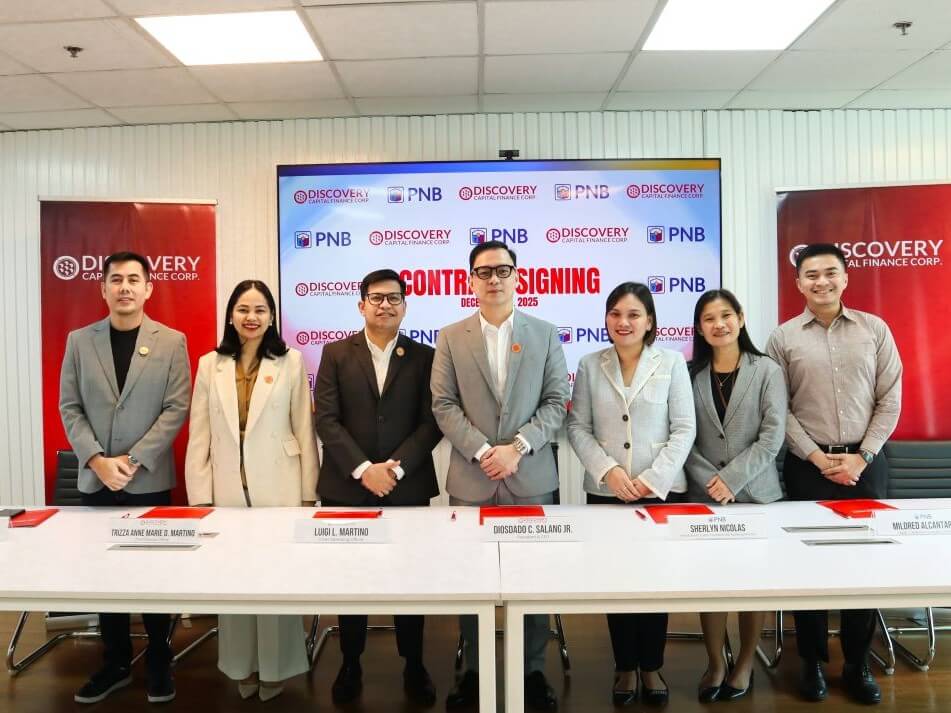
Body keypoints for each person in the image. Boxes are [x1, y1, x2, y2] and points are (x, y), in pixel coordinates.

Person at [432, 240, 569, 711]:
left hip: (529, 477)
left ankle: (532, 671)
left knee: (533, 580)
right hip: (472, 481)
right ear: (470, 279)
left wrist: (518, 448)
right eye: (484, 271)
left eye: (503, 270)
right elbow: (443, 405)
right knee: (470, 580)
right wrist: (485, 450)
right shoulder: (450, 336)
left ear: (517, 276)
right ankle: (472, 672)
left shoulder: (545, 333)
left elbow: (556, 402)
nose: (494, 279)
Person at [766, 243, 902, 705]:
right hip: (809, 468)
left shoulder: (874, 329)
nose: (820, 282)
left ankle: (858, 664)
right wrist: (816, 458)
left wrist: (862, 457)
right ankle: (811, 664)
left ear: (845, 277)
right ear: (798, 282)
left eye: (829, 273)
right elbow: (777, 409)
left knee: (865, 569)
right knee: (810, 570)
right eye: (811, 275)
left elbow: (891, 399)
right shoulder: (783, 338)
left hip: (866, 466)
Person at [59, 251, 191, 705]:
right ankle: (115, 662)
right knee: (106, 576)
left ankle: (159, 657)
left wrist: (131, 461)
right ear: (103, 288)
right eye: (116, 279)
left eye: (134, 279)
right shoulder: (79, 341)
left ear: (149, 287)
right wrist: (97, 461)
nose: (125, 287)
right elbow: (69, 407)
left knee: (154, 575)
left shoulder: (172, 341)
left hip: (148, 478)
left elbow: (176, 409)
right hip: (97, 482)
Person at [185, 279, 318, 702]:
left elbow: (304, 426)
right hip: (227, 487)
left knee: (276, 581)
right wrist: (199, 496)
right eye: (243, 309)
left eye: (260, 309)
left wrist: (308, 494)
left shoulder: (291, 361)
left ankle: (276, 668)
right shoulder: (211, 364)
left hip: (280, 483)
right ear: (230, 315)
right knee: (235, 581)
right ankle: (242, 665)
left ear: (272, 317)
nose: (251, 317)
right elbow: (199, 433)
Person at [314, 269, 442, 707]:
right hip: (347, 488)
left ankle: (415, 663)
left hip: (405, 488)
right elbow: (325, 420)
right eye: (376, 298)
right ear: (361, 304)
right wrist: (364, 468)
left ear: (405, 305)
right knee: (352, 580)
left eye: (394, 298)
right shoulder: (334, 353)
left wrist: (395, 470)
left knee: (409, 580)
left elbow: (432, 422)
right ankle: (350, 663)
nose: (385, 305)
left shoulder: (425, 356)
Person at [567, 281, 695, 707]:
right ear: (606, 319)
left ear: (650, 321)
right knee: (616, 582)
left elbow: (683, 429)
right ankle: (624, 666)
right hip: (608, 492)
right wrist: (609, 471)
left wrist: (652, 479)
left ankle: (652, 666)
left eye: (634, 314)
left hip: (659, 492)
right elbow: (577, 428)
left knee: (655, 582)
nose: (624, 322)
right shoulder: (589, 364)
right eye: (616, 314)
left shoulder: (672, 362)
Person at [684, 289, 786, 703]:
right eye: (709, 318)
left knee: (751, 585)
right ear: (700, 327)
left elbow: (772, 435)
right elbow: (681, 436)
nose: (719, 324)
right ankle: (716, 661)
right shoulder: (689, 373)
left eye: (726, 315)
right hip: (704, 496)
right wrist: (714, 482)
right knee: (711, 583)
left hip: (756, 494)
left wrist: (733, 479)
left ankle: (744, 662)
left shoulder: (767, 370)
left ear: (741, 319)